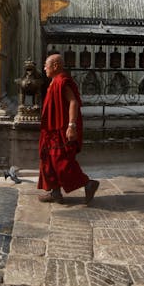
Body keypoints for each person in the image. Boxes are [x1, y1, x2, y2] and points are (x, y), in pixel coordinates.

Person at [38, 53, 99, 204]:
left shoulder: (62, 81)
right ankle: (55, 192)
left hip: (61, 130)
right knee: (49, 161)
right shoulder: (53, 82)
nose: (44, 68)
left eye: (46, 65)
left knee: (62, 162)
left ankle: (88, 184)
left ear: (56, 66)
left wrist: (71, 125)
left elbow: (73, 102)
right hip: (51, 132)